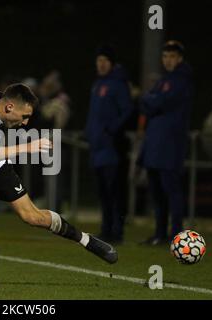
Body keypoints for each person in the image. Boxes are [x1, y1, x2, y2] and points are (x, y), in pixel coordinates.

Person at [0, 84, 118, 285]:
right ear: (9, 108)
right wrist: (29, 146)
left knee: (32, 216)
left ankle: (85, 239)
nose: (25, 123)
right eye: (24, 116)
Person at [139, 40, 193, 245]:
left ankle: (175, 234)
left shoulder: (181, 79)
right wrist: (150, 99)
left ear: (179, 58)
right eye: (165, 56)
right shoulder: (165, 80)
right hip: (156, 145)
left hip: (170, 144)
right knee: (157, 192)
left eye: (172, 56)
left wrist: (149, 98)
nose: (168, 60)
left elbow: (155, 102)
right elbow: (148, 105)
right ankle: (160, 234)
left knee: (171, 190)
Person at [84, 45, 133, 244]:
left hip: (112, 148)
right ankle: (106, 229)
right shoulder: (97, 84)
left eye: (105, 60)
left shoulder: (118, 84)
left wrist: (112, 130)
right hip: (98, 148)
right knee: (103, 192)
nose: (101, 64)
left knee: (115, 190)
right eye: (99, 60)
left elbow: (127, 110)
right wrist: (89, 132)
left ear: (112, 63)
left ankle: (117, 231)